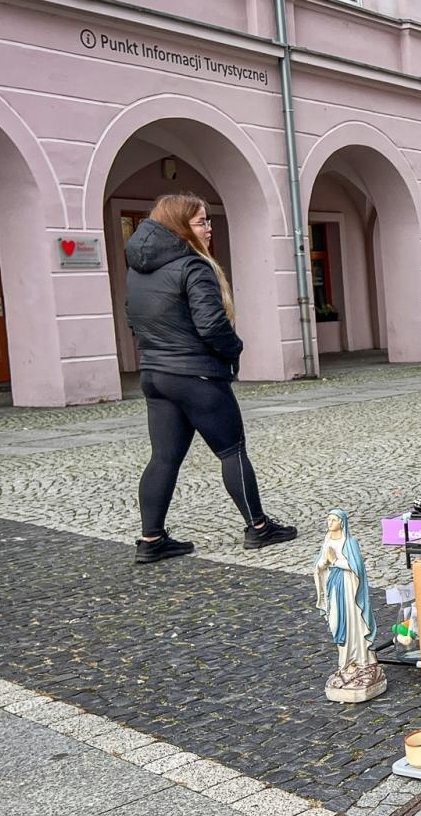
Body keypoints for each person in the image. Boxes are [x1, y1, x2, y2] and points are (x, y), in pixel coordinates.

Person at [124, 193, 297, 563]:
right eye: (201, 222)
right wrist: (233, 348)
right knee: (231, 449)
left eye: (208, 221)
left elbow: (132, 319)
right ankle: (260, 528)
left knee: (164, 458)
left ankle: (151, 540)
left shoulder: (138, 270)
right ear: (180, 227)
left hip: (155, 374)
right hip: (196, 374)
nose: (209, 228)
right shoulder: (192, 267)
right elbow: (211, 324)